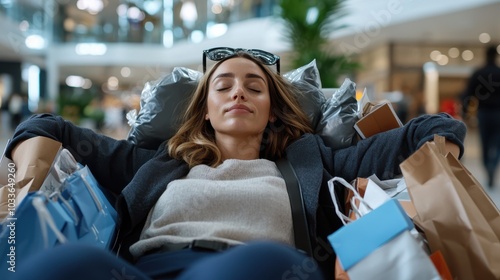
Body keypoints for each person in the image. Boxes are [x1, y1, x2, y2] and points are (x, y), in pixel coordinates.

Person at [5, 48, 466, 280]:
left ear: (271, 107)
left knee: (261, 260)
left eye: (253, 86)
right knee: (74, 261)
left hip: (266, 268)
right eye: (223, 86)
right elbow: (47, 127)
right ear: (205, 108)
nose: (238, 92)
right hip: (153, 270)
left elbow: (427, 131)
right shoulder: (158, 161)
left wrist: (439, 175)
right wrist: (17, 196)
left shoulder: (315, 161)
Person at [462, 45, 500, 187]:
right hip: (498, 113)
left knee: (484, 143)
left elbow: (469, 93)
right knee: (497, 143)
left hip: (483, 113)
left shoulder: (479, 72)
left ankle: (487, 165)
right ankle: (493, 164)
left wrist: (465, 112)